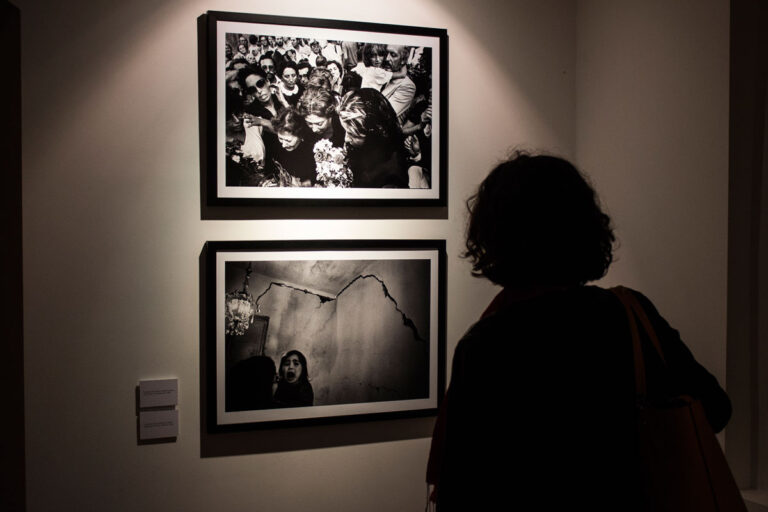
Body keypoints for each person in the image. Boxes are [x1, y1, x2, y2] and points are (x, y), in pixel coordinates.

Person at [428, 152, 732, 510]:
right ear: (585, 229)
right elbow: (715, 408)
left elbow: (462, 485)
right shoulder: (630, 313)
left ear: (495, 236)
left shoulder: (488, 343)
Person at [338, 88, 409, 188]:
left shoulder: (391, 178)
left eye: (352, 134)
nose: (346, 139)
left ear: (373, 133)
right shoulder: (365, 147)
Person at [270, 108, 315, 185]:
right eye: (280, 138)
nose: (283, 145)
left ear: (300, 136)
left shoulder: (313, 150)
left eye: (288, 141)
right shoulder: (274, 147)